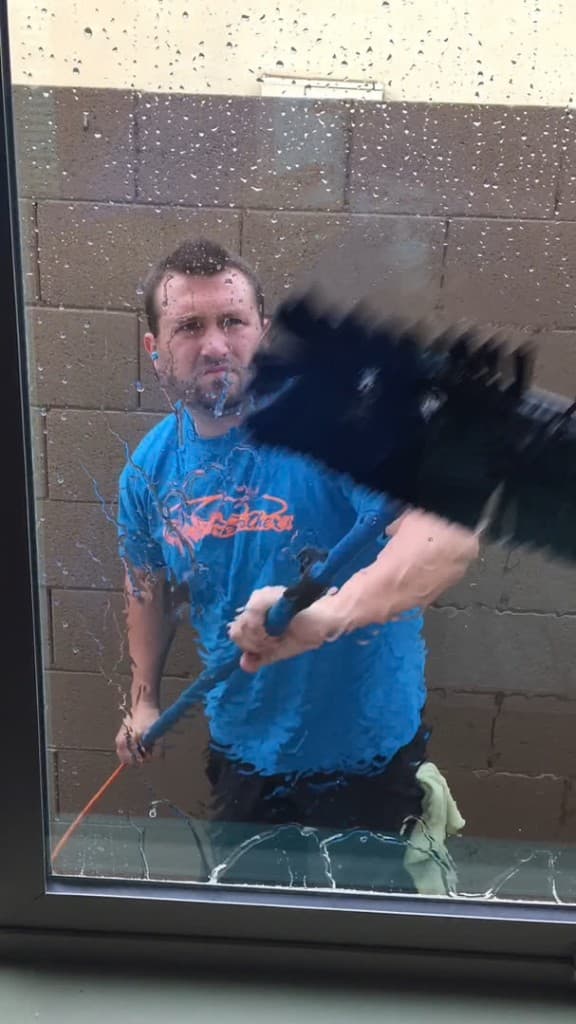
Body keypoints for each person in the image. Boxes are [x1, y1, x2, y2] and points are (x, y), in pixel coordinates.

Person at [115, 238, 479, 869]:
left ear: (264, 330)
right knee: (255, 949)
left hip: (369, 764)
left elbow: (446, 538)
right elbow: (145, 583)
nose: (215, 345)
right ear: (154, 349)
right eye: (188, 327)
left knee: (369, 959)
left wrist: (331, 615)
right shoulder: (149, 470)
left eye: (232, 322)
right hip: (243, 762)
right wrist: (143, 696)